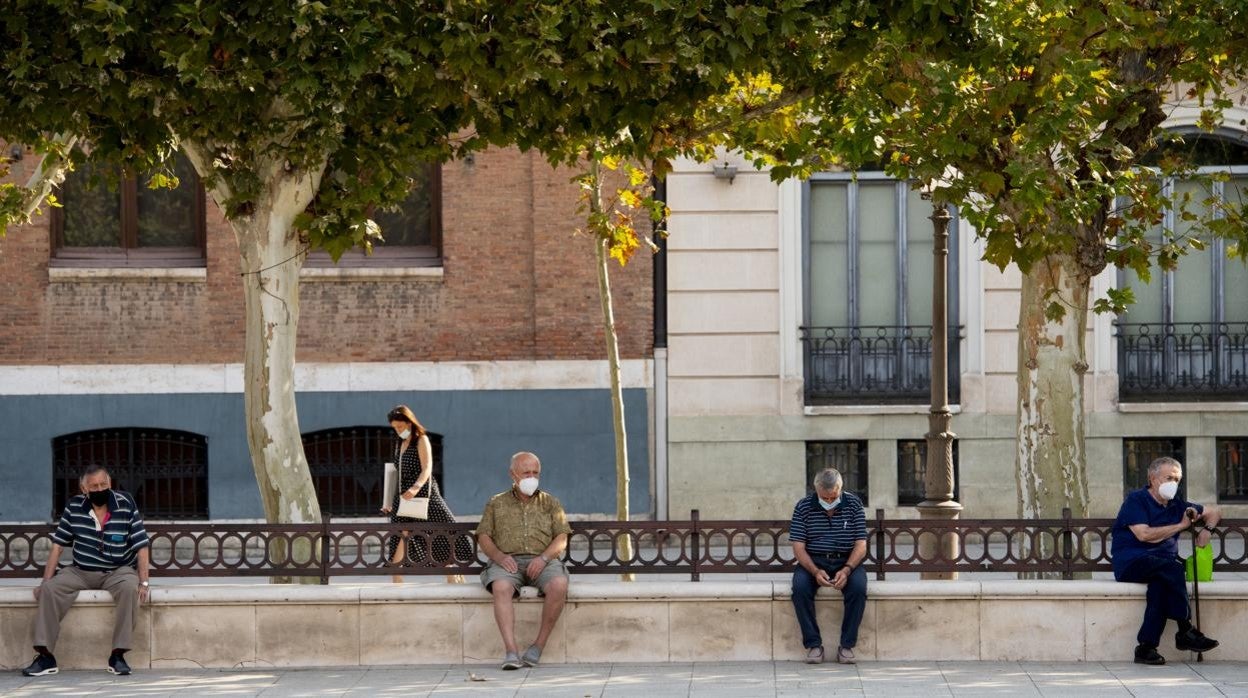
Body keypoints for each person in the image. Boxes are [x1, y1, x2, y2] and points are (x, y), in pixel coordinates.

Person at [22, 464, 151, 677]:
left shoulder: (125, 503)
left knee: (131, 589)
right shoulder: (74, 506)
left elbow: (141, 544)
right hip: (80, 570)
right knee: (50, 590)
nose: (100, 489)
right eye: (94, 486)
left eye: (103, 484)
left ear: (110, 484)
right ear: (84, 489)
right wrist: (45, 581)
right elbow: (58, 545)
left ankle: (118, 655)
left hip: (118, 570)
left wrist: (144, 582)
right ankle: (45, 657)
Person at [1112, 456, 1221, 665]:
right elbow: (1143, 535)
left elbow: (1214, 512)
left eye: (1177, 479)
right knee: (1173, 569)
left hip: (1162, 568)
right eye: (1169, 477)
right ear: (1152, 478)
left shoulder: (1177, 505)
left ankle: (1146, 648)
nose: (1174, 483)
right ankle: (1184, 629)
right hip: (1132, 562)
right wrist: (1181, 526)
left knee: (1161, 587)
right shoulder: (1136, 500)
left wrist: (1208, 530)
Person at [475, 451, 571, 670]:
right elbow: (484, 536)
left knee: (559, 584)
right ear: (513, 474)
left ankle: (537, 646)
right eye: (526, 472)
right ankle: (511, 652)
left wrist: (544, 557)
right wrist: (499, 556)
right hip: (508, 561)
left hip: (543, 559)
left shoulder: (550, 502)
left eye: (535, 473)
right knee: (500, 587)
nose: (531, 477)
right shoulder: (496, 503)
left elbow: (562, 537)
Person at [382, 405, 470, 584]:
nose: (398, 431)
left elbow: (428, 468)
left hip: (425, 494)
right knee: (400, 535)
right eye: (395, 428)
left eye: (400, 427)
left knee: (439, 532)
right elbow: (395, 474)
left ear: (409, 422)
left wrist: (415, 487)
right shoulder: (400, 443)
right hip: (404, 496)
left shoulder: (421, 440)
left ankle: (452, 575)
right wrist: (388, 501)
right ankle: (396, 581)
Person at [789, 467, 867, 665]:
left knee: (858, 589)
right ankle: (814, 645)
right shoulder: (804, 506)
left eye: (833, 497)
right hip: (813, 560)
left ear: (840, 489)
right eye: (825, 497)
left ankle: (847, 646)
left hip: (847, 560)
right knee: (800, 589)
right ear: (816, 490)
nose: (829, 502)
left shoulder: (854, 504)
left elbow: (861, 544)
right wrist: (815, 570)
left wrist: (847, 569)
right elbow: (798, 547)